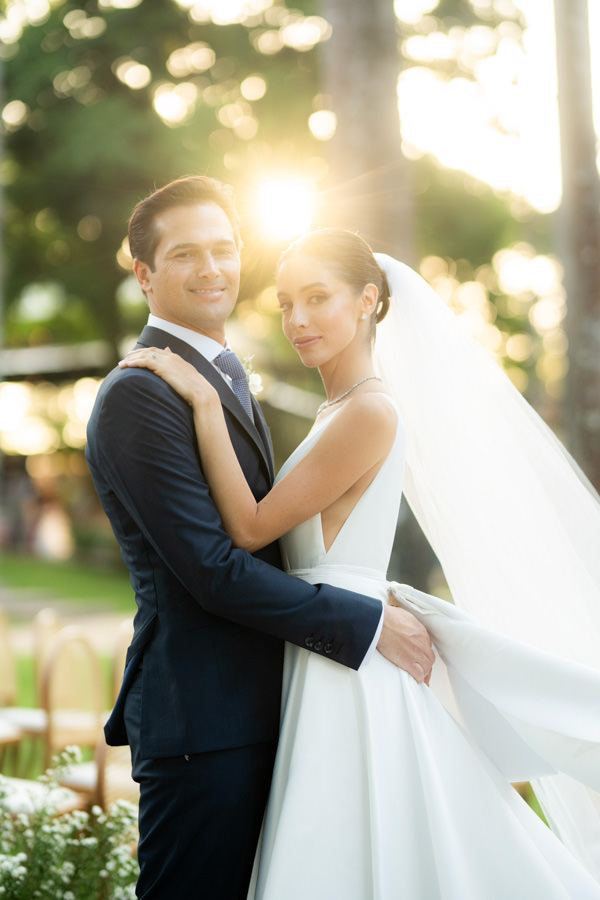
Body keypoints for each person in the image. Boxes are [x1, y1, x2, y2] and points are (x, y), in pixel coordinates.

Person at [122, 227, 600, 898]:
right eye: (286, 302)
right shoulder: (337, 409)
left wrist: (202, 400)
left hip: (346, 671)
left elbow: (251, 525)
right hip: (329, 645)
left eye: (318, 298)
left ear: (368, 300)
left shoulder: (368, 411)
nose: (297, 320)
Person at [85, 177, 435, 900]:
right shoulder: (140, 395)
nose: (211, 268)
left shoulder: (222, 378)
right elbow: (214, 569)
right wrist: (363, 621)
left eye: (223, 248)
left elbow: (281, 539)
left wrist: (371, 586)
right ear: (145, 274)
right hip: (203, 723)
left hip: (271, 706)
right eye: (186, 254)